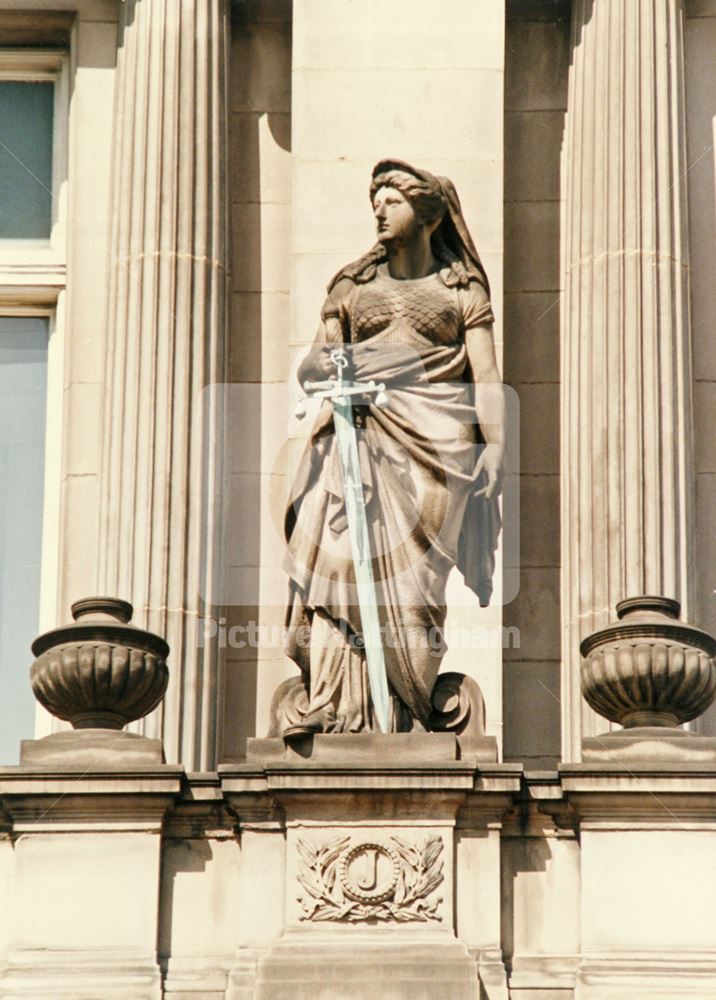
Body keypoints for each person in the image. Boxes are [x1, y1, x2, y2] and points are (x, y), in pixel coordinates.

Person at [282, 159, 504, 739]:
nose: (378, 209)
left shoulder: (462, 289)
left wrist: (497, 445)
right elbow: (311, 364)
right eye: (375, 199)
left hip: (437, 447)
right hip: (357, 442)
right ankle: (338, 704)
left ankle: (409, 704)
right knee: (341, 564)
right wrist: (352, 368)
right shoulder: (352, 286)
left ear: (427, 213)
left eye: (392, 199)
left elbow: (485, 377)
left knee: (414, 583)